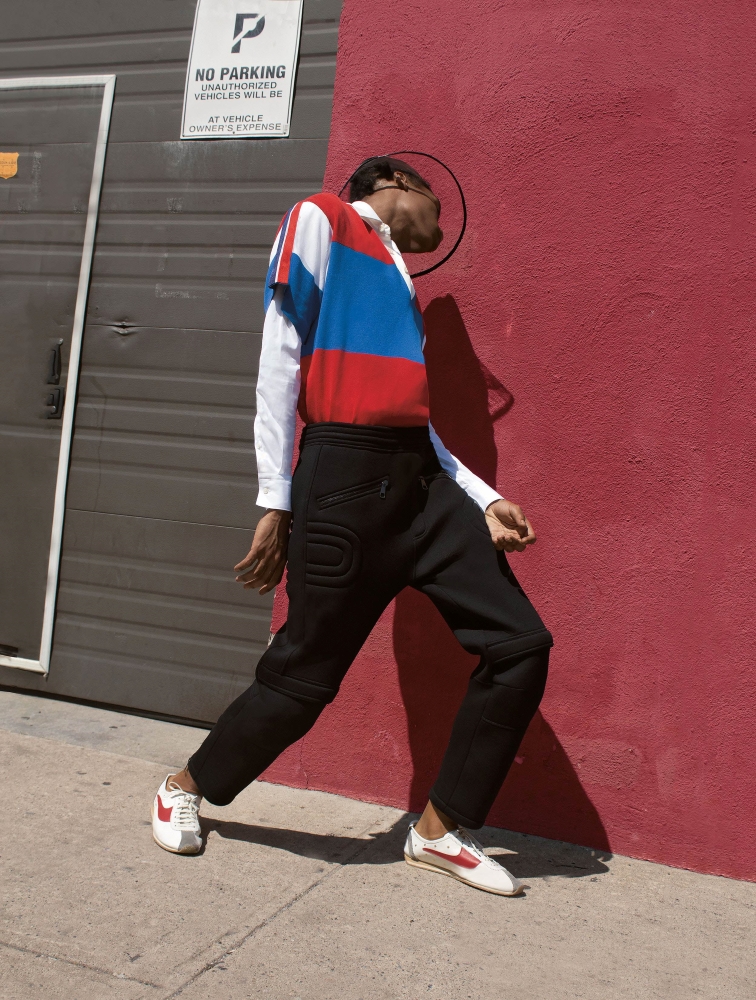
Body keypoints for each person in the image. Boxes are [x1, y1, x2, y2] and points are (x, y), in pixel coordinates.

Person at [150, 157, 553, 897]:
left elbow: (415, 424)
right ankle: (185, 784)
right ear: (398, 181)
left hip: (420, 483)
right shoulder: (322, 218)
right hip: (343, 477)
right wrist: (275, 501)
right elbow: (279, 355)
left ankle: (439, 831)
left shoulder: (398, 279)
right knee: (305, 676)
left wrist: (484, 496)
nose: (444, 226)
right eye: (438, 204)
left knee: (521, 644)